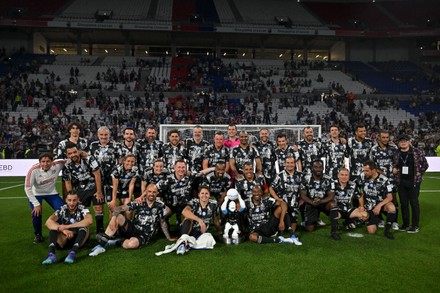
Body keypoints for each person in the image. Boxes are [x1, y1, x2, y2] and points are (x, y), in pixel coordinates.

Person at [92, 184, 171, 254]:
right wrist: (113, 218)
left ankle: (117, 242)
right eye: (149, 191)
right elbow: (119, 208)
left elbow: (162, 221)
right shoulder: (139, 202)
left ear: (157, 193)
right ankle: (101, 246)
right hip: (132, 228)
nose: (151, 194)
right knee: (118, 216)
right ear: (145, 192)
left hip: (144, 235)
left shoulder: (160, 206)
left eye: (154, 192)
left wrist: (168, 237)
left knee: (131, 244)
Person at [62, 142, 105, 233]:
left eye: (75, 152)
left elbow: (97, 175)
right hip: (80, 189)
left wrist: (99, 191)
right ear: (67, 154)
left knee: (98, 208)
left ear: (79, 151)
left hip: (94, 186)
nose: (73, 155)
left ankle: (100, 230)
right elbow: (67, 181)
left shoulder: (89, 159)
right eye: (70, 153)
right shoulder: (67, 166)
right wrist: (72, 196)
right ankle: (82, 229)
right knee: (80, 208)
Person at [25, 153, 67, 243]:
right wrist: (36, 204)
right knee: (36, 213)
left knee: (63, 210)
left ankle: (59, 230)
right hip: (36, 194)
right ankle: (38, 234)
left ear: (52, 161)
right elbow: (27, 187)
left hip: (52, 193)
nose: (45, 164)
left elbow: (70, 159)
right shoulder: (33, 170)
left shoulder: (58, 164)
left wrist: (83, 154)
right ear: (39, 162)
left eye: (48, 161)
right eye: (43, 161)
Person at [42, 192, 93, 265]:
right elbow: (48, 222)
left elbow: (89, 220)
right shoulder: (62, 209)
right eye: (69, 200)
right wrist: (63, 230)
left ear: (78, 200)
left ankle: (72, 253)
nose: (72, 203)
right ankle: (51, 255)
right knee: (54, 227)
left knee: (84, 226)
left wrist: (67, 227)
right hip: (65, 238)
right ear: (66, 200)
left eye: (74, 200)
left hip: (79, 238)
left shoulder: (82, 208)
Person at [393, 134, 429, 233]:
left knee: (414, 203)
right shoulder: (396, 153)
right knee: (404, 204)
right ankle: (405, 225)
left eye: (405, 140)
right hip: (401, 182)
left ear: (409, 142)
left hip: (414, 182)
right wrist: (395, 168)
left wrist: (419, 174)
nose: (403, 142)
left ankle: (415, 225)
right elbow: (395, 164)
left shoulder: (417, 152)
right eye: (401, 141)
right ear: (398, 143)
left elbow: (425, 165)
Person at [300, 160, 340, 240]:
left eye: (320, 167)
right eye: (316, 167)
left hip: (324, 203)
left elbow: (331, 195)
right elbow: (302, 195)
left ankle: (334, 231)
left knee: (333, 204)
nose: (318, 169)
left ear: (323, 168)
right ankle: (311, 218)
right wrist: (312, 202)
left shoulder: (329, 179)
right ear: (312, 168)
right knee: (310, 229)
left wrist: (320, 201)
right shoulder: (306, 178)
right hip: (311, 203)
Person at [177, 186, 223, 254]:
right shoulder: (194, 202)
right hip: (188, 229)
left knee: (209, 239)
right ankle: (182, 243)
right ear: (198, 194)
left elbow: (215, 220)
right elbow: (184, 211)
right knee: (188, 218)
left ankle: (188, 244)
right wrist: (200, 221)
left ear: (209, 195)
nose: (204, 195)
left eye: (206, 193)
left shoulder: (214, 204)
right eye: (202, 193)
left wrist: (220, 232)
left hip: (201, 231)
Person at [369, 129, 399, 230]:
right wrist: (378, 171)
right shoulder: (373, 149)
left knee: (393, 199)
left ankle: (394, 221)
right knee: (377, 198)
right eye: (383, 137)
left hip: (391, 179)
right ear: (379, 138)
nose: (386, 139)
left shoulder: (394, 148)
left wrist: (396, 167)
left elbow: (398, 161)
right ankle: (380, 219)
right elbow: (371, 164)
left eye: (387, 137)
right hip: (379, 179)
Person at [359, 160, 396, 239]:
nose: (365, 172)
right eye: (364, 170)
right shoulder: (362, 177)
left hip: (381, 205)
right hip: (369, 206)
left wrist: (379, 205)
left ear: (374, 170)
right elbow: (360, 194)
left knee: (391, 207)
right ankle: (375, 219)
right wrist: (362, 206)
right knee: (371, 231)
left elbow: (390, 197)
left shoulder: (385, 180)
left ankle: (387, 231)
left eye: (367, 171)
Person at [269, 156, 303, 234]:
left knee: (292, 229)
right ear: (284, 164)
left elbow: (304, 189)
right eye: (287, 163)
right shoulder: (279, 175)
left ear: (295, 164)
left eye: (291, 163)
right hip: (283, 204)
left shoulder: (300, 175)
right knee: (282, 229)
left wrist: (302, 200)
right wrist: (277, 198)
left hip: (295, 205)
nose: (289, 165)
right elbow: (271, 188)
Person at [89, 126, 122, 202]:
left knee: (110, 203)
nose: (103, 137)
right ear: (98, 135)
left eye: (106, 135)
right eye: (101, 135)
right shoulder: (93, 145)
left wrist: (116, 174)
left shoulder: (116, 145)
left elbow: (120, 161)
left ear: (109, 135)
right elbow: (89, 160)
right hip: (96, 178)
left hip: (111, 178)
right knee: (98, 204)